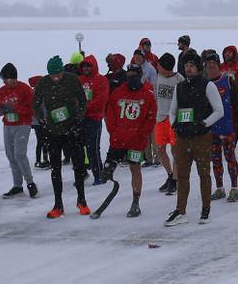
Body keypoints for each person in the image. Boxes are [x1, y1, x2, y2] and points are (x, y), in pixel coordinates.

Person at [165, 50, 224, 226]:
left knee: (204, 174)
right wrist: (174, 124)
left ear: (198, 68)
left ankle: (206, 209)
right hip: (182, 137)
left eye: (191, 65)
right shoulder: (180, 87)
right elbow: (172, 110)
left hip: (201, 137)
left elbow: (219, 111)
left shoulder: (208, 85)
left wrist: (204, 124)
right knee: (182, 175)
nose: (188, 68)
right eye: (186, 66)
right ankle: (180, 211)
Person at [33, 55, 89, 218]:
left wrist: (78, 119)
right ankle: (58, 205)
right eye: (53, 75)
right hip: (53, 131)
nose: (56, 78)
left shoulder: (72, 80)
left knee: (78, 167)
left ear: (63, 71)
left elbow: (82, 101)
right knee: (55, 169)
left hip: (72, 128)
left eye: (58, 74)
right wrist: (42, 121)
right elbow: (35, 104)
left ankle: (82, 201)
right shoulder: (43, 83)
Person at [101, 64, 157, 217]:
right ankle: (109, 169)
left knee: (135, 169)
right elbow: (110, 114)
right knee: (108, 165)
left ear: (139, 76)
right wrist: (114, 131)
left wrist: (142, 135)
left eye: (135, 74)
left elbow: (150, 118)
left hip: (136, 142)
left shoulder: (148, 95)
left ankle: (135, 201)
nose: (131, 77)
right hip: (118, 139)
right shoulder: (118, 93)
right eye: (129, 75)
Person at [203, 51, 238, 203]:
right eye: (208, 65)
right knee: (215, 159)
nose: (211, 67)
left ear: (218, 65)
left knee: (230, 158)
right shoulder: (205, 83)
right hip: (212, 129)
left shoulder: (228, 81)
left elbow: (237, 103)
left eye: (213, 64)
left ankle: (234, 188)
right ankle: (219, 188)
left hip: (228, 127)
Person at [0, 63, 38, 199]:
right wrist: (2, 109)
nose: (4, 82)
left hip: (22, 124)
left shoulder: (25, 89)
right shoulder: (2, 90)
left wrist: (15, 109)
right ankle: (17, 186)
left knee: (19, 154)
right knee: (10, 155)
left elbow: (32, 109)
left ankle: (30, 183)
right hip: (8, 125)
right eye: (3, 79)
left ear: (13, 78)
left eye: (5, 79)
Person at [154, 53, 185, 194]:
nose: (157, 66)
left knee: (175, 151)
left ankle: (176, 180)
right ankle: (170, 175)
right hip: (160, 117)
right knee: (160, 149)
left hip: (174, 119)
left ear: (165, 66)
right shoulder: (158, 76)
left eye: (159, 64)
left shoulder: (179, 79)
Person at [78, 55, 109, 185]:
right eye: (84, 66)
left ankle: (98, 174)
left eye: (88, 66)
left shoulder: (101, 80)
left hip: (94, 119)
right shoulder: (79, 80)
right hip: (80, 119)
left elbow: (101, 100)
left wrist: (84, 108)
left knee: (93, 148)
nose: (86, 68)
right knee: (79, 148)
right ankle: (81, 174)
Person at [27, 75, 50, 169]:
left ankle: (38, 160)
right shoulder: (41, 94)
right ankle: (45, 160)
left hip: (35, 122)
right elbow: (43, 109)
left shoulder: (33, 93)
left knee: (40, 141)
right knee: (44, 141)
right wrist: (45, 119)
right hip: (41, 121)